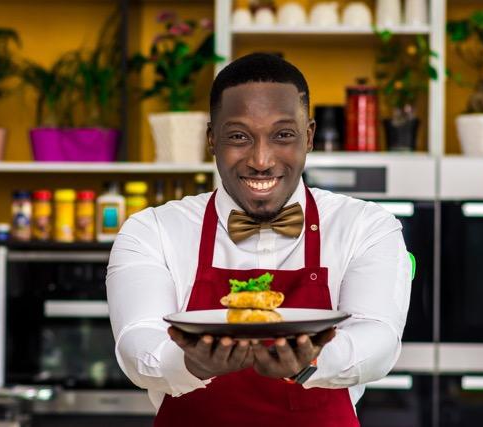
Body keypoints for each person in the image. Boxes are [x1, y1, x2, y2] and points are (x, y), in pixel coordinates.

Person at [106, 53, 412, 427]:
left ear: (309, 137)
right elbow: (136, 340)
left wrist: (312, 362)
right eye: (239, 137)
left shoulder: (366, 226)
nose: (261, 160)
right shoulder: (152, 230)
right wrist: (189, 362)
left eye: (283, 135)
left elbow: (378, 338)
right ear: (212, 139)